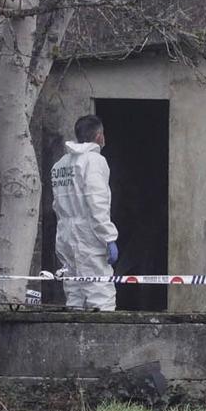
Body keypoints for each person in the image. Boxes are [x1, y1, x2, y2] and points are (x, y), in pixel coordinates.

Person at [51, 114, 119, 310]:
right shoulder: (94, 161)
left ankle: (74, 335)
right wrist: (108, 237)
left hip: (65, 234)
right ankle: (101, 337)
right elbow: (96, 203)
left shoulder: (61, 164)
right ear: (99, 136)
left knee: (74, 290)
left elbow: (57, 204)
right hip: (88, 235)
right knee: (100, 291)